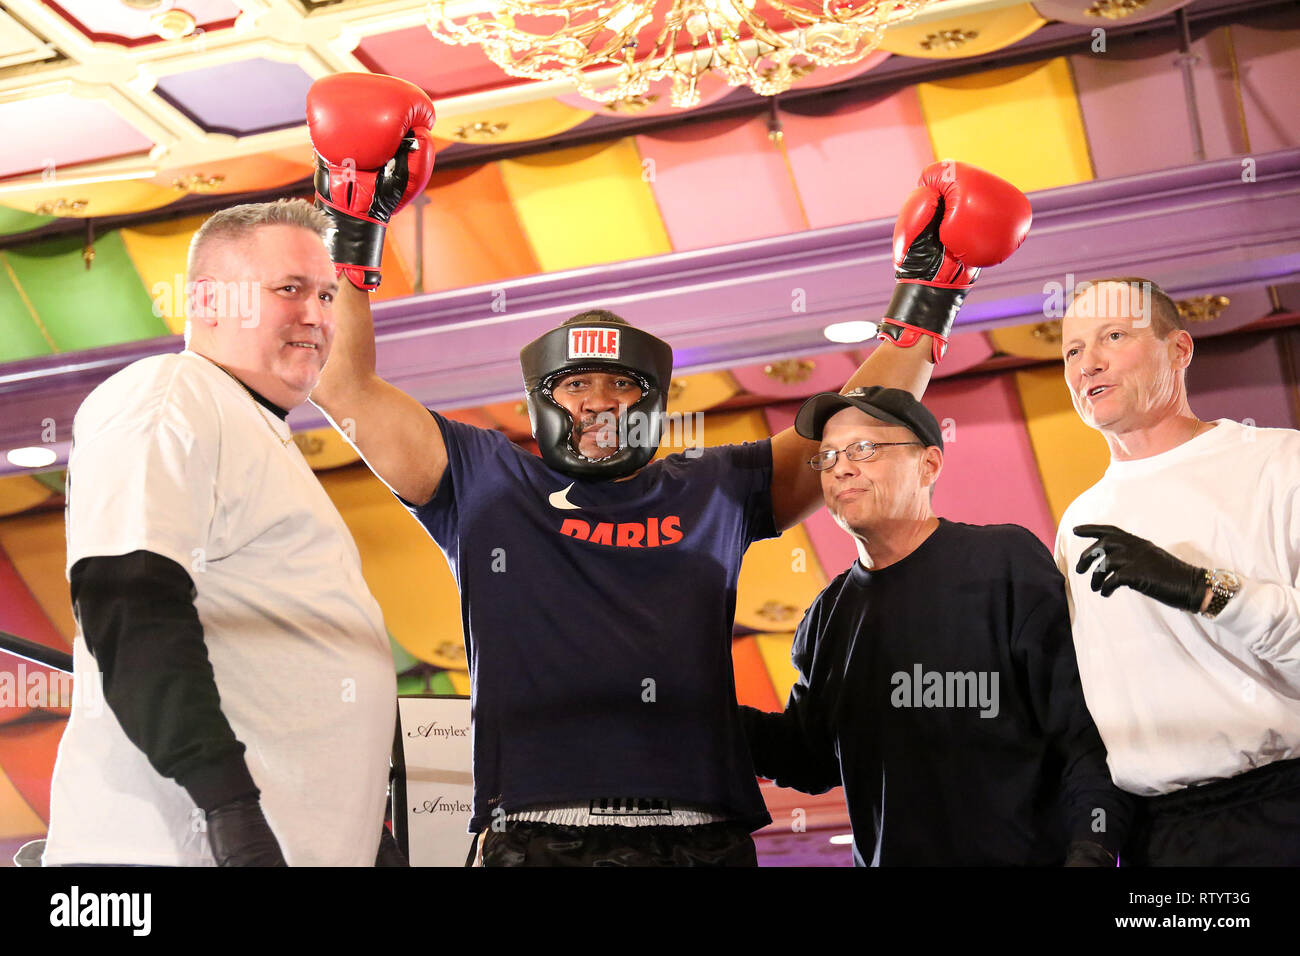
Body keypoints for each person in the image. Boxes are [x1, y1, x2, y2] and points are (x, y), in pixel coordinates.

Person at [304, 72, 1033, 865]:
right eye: (575, 387)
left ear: (653, 404)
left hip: (700, 838)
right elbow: (344, 386)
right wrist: (348, 226)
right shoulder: (482, 480)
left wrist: (928, 296)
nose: (597, 405)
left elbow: (849, 425)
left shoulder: (713, 487)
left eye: (622, 387)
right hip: (538, 835)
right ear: (542, 400)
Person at [43, 199, 401, 867]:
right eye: (289, 290)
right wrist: (229, 810)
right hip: (176, 854)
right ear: (206, 300)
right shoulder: (170, 397)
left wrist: (362, 840)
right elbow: (130, 603)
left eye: (325, 294)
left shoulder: (250, 426)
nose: (319, 316)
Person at [738, 387, 1133, 866]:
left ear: (929, 464)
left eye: (864, 449)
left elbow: (1079, 726)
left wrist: (1093, 847)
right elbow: (807, 758)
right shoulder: (828, 615)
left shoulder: (1003, 561)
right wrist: (690, 711)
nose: (841, 467)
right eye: (826, 457)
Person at [1055, 277, 1300, 865]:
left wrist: (1203, 589)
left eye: (1113, 335)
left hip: (1283, 807)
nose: (1088, 364)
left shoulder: (1280, 464)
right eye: (1071, 350)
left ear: (1179, 350)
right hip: (1158, 836)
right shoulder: (1078, 522)